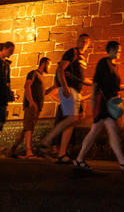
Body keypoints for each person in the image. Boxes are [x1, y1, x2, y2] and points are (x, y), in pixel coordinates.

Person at [73, 40, 124, 172]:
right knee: (102, 131)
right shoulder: (103, 62)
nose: (119, 52)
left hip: (109, 103)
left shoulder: (114, 67)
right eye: (118, 49)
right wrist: (92, 100)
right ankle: (122, 162)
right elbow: (96, 81)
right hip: (102, 102)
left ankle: (80, 160)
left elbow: (116, 87)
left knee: (101, 131)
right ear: (111, 49)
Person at [38, 34, 92, 163]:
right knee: (72, 118)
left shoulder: (82, 58)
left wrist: (96, 83)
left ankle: (62, 154)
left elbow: (83, 79)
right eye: (82, 40)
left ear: (89, 44)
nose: (83, 43)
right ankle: (46, 141)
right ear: (78, 41)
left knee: (72, 122)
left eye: (86, 41)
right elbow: (60, 69)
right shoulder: (72, 52)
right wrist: (65, 86)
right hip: (69, 90)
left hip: (76, 91)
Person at [8, 57, 54, 159]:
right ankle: (29, 151)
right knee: (29, 128)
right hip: (31, 105)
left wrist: (53, 87)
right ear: (44, 63)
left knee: (27, 128)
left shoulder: (42, 77)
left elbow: (43, 93)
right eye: (49, 65)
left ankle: (12, 150)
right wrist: (31, 102)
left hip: (38, 106)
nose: (49, 67)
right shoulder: (33, 73)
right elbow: (27, 86)